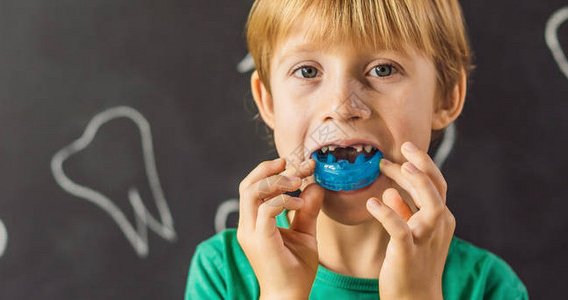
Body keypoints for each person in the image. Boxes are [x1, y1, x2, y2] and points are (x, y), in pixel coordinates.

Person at [186, 0, 528, 299]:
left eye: (383, 69)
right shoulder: (222, 274)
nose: (341, 106)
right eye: (307, 71)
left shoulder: (488, 287)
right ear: (268, 100)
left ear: (446, 96)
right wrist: (282, 294)